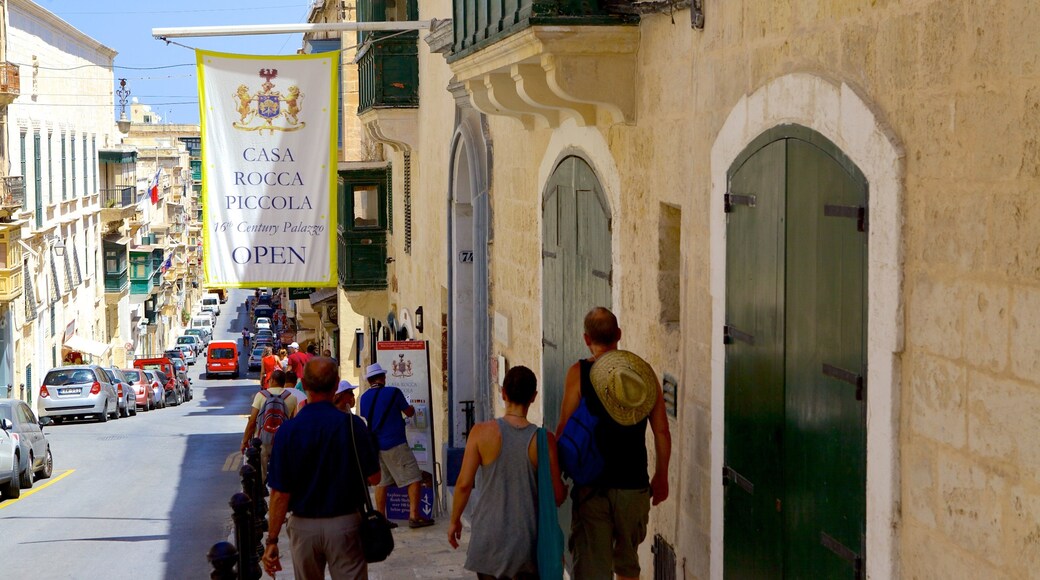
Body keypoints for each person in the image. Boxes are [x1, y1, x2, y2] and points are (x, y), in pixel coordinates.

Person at [556, 307, 672, 580]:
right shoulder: (642, 375)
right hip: (633, 485)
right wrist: (662, 476)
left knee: (592, 568)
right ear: (618, 334)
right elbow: (662, 431)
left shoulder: (579, 374)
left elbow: (563, 427)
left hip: (592, 487)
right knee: (628, 567)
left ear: (586, 339)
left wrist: (557, 476)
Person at [262, 357, 381, 580]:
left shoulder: (288, 431)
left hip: (303, 526)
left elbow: (279, 494)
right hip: (345, 524)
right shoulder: (353, 426)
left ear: (304, 385)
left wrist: (272, 540)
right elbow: (375, 477)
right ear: (336, 384)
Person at [449, 366, 566, 579]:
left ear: (503, 394)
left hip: (487, 538)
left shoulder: (480, 433)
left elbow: (464, 484)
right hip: (525, 542)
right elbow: (557, 496)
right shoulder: (544, 440)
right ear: (533, 397)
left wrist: (454, 520)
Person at [358, 362, 433, 529]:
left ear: (369, 380)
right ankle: (414, 516)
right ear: (383, 377)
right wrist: (412, 408)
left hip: (376, 446)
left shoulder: (363, 398)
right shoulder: (393, 392)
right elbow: (409, 412)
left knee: (382, 482)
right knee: (414, 477)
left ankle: (381, 518)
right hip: (395, 442)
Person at [241, 370, 298, 481]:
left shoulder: (261, 396)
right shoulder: (292, 398)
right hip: (282, 441)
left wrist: (245, 441)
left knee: (260, 473)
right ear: (284, 382)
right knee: (281, 476)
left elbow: (252, 421)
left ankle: (261, 488)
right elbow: (292, 422)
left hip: (263, 440)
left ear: (272, 380)